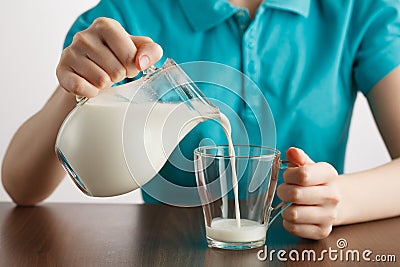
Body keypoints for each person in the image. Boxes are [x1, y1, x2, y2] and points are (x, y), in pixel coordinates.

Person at [2, 0, 400, 240]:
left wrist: (341, 199)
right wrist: (76, 86)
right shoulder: (131, 13)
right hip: (165, 253)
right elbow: (21, 185)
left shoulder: (357, 9)